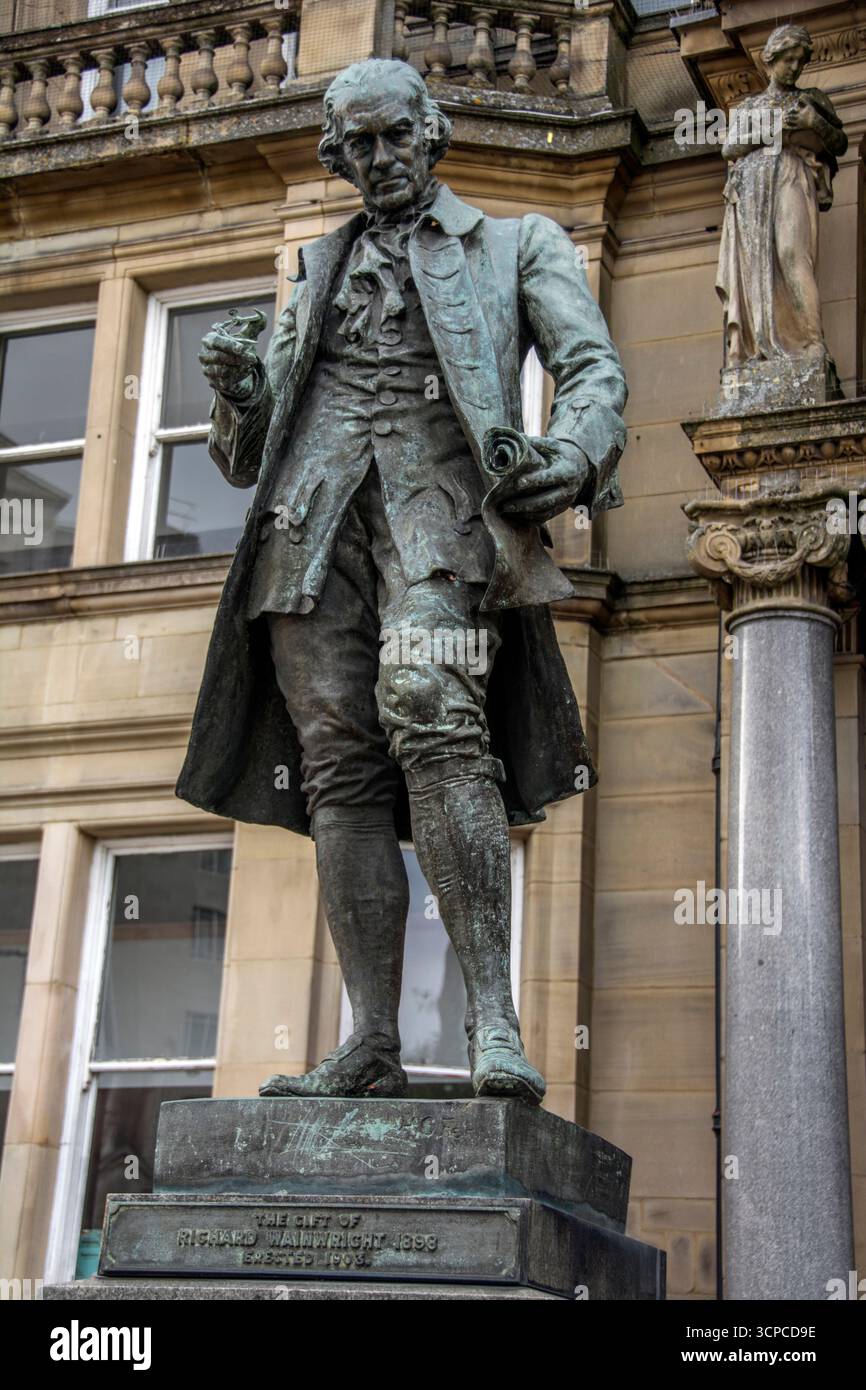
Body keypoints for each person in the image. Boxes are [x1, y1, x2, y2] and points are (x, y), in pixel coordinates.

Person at [176, 58, 628, 1105]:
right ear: (335, 154)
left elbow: (593, 373)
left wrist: (570, 453)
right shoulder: (313, 267)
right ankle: (372, 1038)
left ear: (431, 132)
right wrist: (239, 393)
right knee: (337, 768)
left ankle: (492, 1025)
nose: (375, 160)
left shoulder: (517, 243)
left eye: (392, 137)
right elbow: (245, 458)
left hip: (438, 520)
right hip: (310, 531)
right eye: (355, 146)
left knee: (429, 708)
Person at [717, 23, 847, 367]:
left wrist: (812, 122)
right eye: (788, 59)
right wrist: (777, 130)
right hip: (753, 186)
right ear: (770, 59)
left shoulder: (811, 99)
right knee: (756, 265)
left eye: (800, 62)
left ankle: (811, 343)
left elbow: (840, 143)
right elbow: (730, 146)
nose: (795, 67)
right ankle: (756, 345)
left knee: (792, 253)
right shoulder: (749, 106)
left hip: (791, 174)